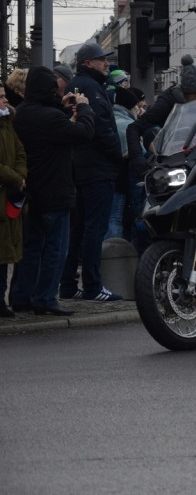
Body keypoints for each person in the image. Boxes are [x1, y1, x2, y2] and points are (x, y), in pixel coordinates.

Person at [10, 67, 95, 316]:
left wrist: (61, 106)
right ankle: (46, 298)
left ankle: (22, 296)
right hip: (56, 192)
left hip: (30, 193)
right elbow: (83, 133)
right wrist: (85, 108)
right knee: (56, 249)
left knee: (31, 248)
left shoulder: (22, 114)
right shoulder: (51, 118)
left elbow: (47, 122)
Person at [60, 40, 125, 301]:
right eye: (102, 59)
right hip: (97, 168)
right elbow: (102, 128)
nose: (106, 63)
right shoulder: (93, 88)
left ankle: (67, 284)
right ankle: (93, 286)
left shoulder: (80, 84)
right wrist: (116, 156)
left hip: (80, 167)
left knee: (78, 229)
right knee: (94, 228)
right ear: (88, 63)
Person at [126, 63, 196, 177]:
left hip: (189, 162)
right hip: (165, 164)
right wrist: (137, 158)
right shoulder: (166, 102)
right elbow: (134, 127)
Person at [0, 83, 27, 317]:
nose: (4, 100)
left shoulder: (7, 123)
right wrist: (15, 178)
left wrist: (20, 176)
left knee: (5, 252)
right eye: (0, 97)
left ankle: (0, 299)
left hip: (8, 196)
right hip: (5, 188)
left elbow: (20, 153)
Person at [106, 86, 143, 242]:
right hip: (121, 179)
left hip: (106, 177)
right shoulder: (128, 125)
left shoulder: (110, 118)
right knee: (116, 218)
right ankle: (114, 256)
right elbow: (140, 152)